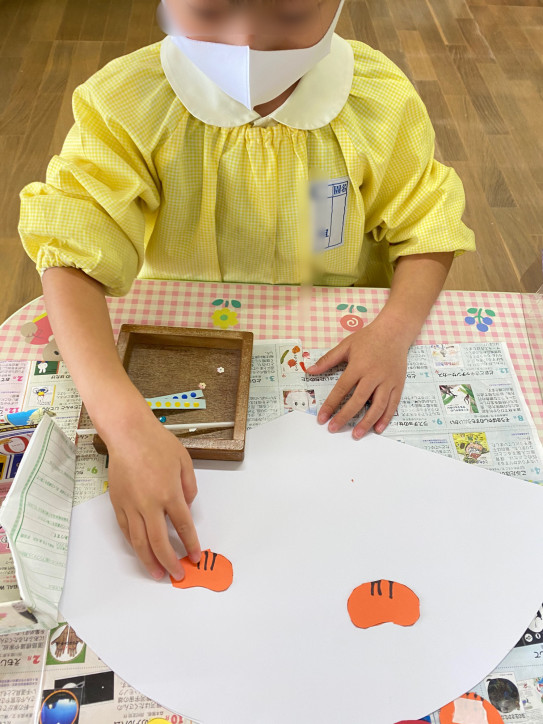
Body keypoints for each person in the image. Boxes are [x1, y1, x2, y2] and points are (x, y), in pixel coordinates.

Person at [18, 0, 475, 582]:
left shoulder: (378, 101)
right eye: (212, 11)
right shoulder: (129, 103)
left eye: (290, 11)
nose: (249, 40)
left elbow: (427, 222)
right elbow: (70, 249)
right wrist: (126, 426)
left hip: (330, 349)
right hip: (185, 346)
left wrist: (394, 328)